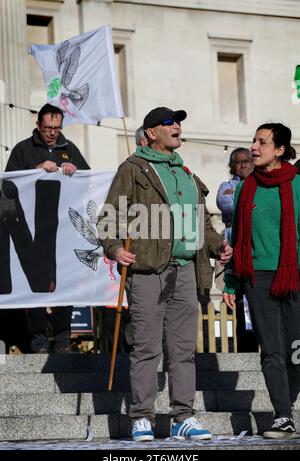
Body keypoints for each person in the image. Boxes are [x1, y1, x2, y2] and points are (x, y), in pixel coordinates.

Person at [98, 106, 232, 441]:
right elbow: (109, 217)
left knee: (183, 348)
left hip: (185, 269)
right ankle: (141, 416)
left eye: (179, 122)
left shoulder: (185, 173)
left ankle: (182, 416)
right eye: (169, 122)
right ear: (151, 132)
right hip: (148, 271)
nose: (177, 127)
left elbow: (202, 223)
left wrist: (217, 245)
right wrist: (114, 248)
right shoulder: (133, 169)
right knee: (146, 347)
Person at [223, 123, 300, 439]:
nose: (254, 147)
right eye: (253, 141)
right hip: (257, 278)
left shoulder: (297, 185)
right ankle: (283, 415)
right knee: (271, 350)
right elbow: (237, 238)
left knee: (296, 350)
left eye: (262, 142)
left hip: (294, 275)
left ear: (279, 150)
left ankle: (288, 402)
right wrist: (231, 283)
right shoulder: (245, 187)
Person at [5, 103, 90, 353]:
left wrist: (77, 172)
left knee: (65, 284)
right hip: (32, 231)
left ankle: (63, 339)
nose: (52, 132)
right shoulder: (23, 150)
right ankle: (39, 339)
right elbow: (9, 185)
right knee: (36, 286)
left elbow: (88, 182)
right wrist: (35, 172)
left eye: (57, 128)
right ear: (38, 126)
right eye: (47, 128)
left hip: (64, 229)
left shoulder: (69, 149)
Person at [216, 148, 257, 352]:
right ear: (232, 166)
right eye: (238, 162)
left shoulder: (260, 183)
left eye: (247, 160)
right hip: (235, 248)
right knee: (240, 301)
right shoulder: (226, 186)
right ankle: (245, 349)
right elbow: (229, 206)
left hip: (256, 249)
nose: (243, 165)